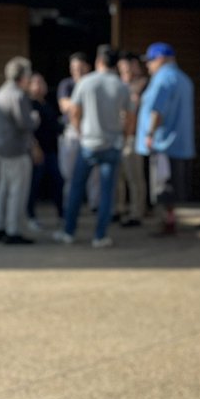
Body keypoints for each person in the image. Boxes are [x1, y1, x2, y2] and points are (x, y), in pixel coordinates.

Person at [54, 45, 129, 248]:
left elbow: (74, 111)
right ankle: (100, 236)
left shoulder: (86, 82)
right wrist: (124, 136)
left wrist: (80, 132)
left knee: (76, 188)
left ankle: (69, 232)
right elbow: (130, 117)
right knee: (106, 193)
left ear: (98, 61)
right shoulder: (122, 86)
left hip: (88, 144)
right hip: (112, 144)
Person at [136, 42, 195, 236]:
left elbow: (156, 111)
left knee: (163, 186)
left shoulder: (162, 79)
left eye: (150, 60)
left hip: (163, 144)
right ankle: (169, 220)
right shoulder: (184, 79)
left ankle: (167, 223)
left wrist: (149, 134)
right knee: (172, 185)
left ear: (160, 59)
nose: (148, 65)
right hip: (180, 143)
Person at [0, 56, 39, 245]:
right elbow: (25, 124)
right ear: (23, 76)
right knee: (17, 191)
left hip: (2, 148)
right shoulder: (18, 95)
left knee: (3, 188)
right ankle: (13, 230)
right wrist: (35, 118)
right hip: (17, 149)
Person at [26, 72, 64, 227]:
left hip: (51, 151)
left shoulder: (47, 104)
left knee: (57, 182)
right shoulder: (29, 104)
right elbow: (28, 130)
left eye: (42, 82)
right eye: (36, 83)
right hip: (37, 152)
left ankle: (62, 214)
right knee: (33, 185)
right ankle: (30, 216)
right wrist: (35, 147)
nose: (40, 86)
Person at [115, 52, 146, 228]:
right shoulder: (118, 84)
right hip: (117, 136)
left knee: (135, 177)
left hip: (133, 136)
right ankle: (119, 209)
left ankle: (136, 212)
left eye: (126, 67)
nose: (123, 70)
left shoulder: (143, 84)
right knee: (118, 177)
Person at [56, 51, 91, 201]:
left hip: (90, 130)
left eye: (80, 68)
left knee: (94, 173)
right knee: (69, 172)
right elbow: (64, 106)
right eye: (74, 68)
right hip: (71, 132)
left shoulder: (92, 83)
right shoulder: (66, 84)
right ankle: (69, 204)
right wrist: (85, 105)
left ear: (88, 67)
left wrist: (75, 105)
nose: (77, 71)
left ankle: (94, 206)